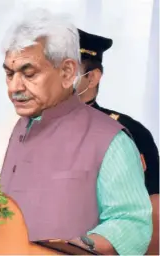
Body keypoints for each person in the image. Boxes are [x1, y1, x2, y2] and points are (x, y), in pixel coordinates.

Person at [0, 8, 152, 255]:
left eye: (29, 74)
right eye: (9, 74)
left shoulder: (109, 139)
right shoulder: (17, 128)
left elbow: (132, 224)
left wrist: (74, 247)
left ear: (68, 72)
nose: (15, 87)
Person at [76, 29, 159, 254]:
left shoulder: (127, 133)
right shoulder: (32, 128)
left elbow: (154, 210)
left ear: (91, 77)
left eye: (68, 70)